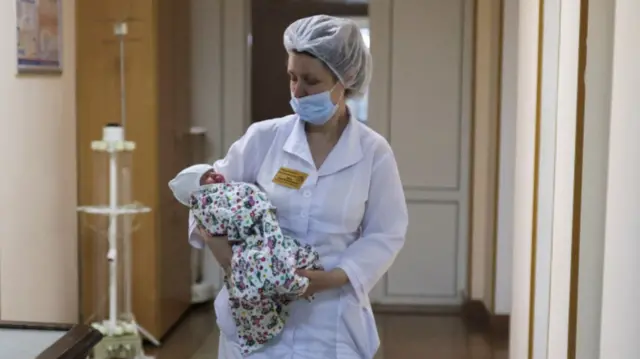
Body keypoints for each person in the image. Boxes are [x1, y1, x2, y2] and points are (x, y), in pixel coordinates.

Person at [187, 14, 408, 359]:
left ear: (344, 81)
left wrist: (331, 278)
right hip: (254, 317)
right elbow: (205, 199)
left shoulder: (372, 151)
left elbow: (386, 233)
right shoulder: (263, 138)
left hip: (330, 321)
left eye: (311, 80)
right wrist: (231, 259)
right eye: (292, 77)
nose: (297, 91)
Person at [169, 164, 323, 355]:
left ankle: (291, 279)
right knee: (255, 273)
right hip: (247, 247)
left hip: (324, 309)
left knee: (282, 258)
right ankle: (287, 284)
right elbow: (211, 215)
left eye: (212, 172)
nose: (215, 176)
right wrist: (219, 245)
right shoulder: (209, 198)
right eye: (206, 177)